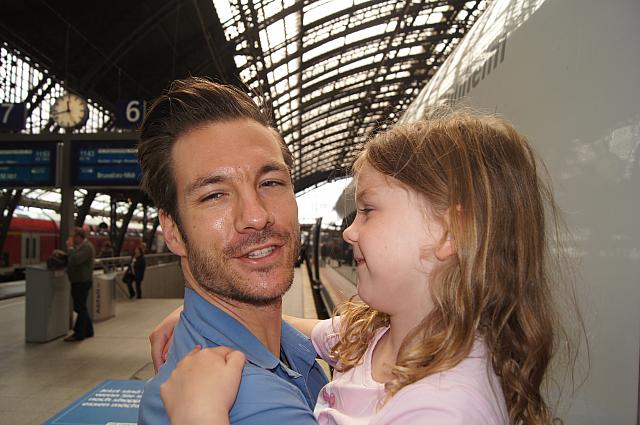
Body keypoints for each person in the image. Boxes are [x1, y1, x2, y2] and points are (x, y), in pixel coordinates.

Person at [156, 112, 577, 425]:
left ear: (449, 231)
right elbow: (300, 329)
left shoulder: (443, 408)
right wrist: (204, 312)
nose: (349, 232)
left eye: (368, 210)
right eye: (214, 195)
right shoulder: (376, 336)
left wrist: (199, 417)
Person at [136, 77, 328, 425]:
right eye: (215, 195)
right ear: (173, 231)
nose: (256, 216)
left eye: (270, 183)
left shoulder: (273, 340)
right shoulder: (256, 407)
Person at [64, 227, 95, 342]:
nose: (72, 239)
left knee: (80, 307)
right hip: (78, 281)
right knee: (81, 306)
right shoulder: (81, 247)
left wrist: (70, 248)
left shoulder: (87, 248)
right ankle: (89, 330)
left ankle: (79, 333)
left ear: (79, 237)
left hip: (82, 282)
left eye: (73, 237)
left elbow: (75, 260)